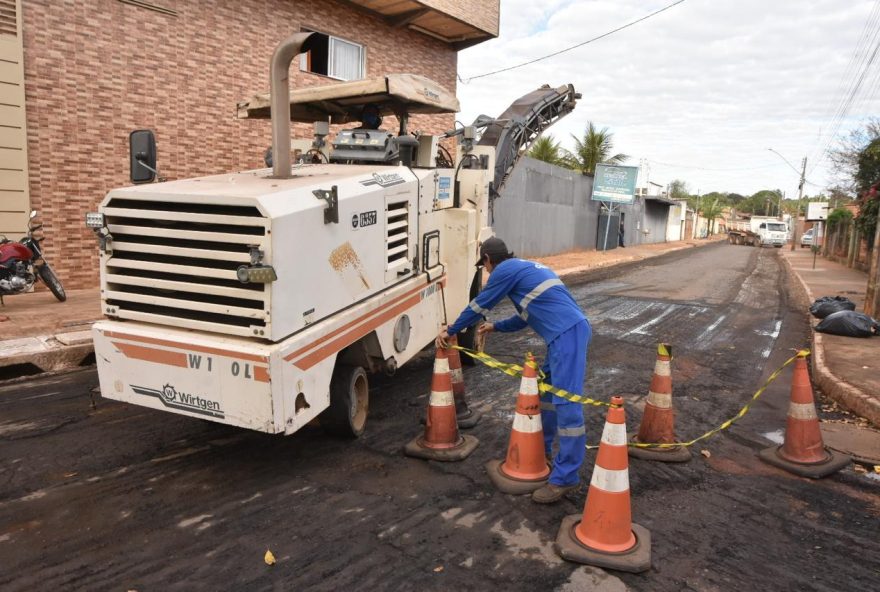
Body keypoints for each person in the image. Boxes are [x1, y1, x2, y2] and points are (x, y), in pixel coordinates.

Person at [437, 237, 592, 504]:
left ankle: (565, 478)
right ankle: (541, 452)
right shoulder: (528, 268)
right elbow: (524, 317)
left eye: (484, 265)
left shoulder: (504, 270)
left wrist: (451, 330)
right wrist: (495, 327)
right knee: (546, 398)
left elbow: (480, 305)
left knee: (567, 404)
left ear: (487, 259)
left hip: (567, 334)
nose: (486, 271)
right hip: (565, 335)